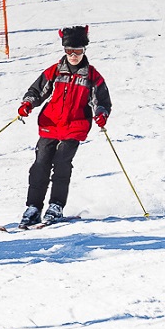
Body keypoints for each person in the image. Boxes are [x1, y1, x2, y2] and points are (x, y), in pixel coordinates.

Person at [14, 25, 112, 227]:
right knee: (40, 165)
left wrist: (101, 114)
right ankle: (33, 208)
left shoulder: (92, 76)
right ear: (64, 50)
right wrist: (28, 104)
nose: (73, 55)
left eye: (78, 51)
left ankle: (56, 206)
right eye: (69, 51)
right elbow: (37, 90)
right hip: (51, 123)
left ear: (84, 50)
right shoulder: (56, 71)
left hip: (76, 125)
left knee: (62, 164)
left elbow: (101, 101)